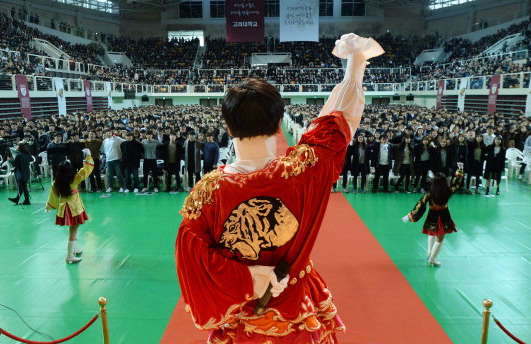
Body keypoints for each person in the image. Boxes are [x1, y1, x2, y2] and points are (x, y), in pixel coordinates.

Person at [176, 34, 384, 343]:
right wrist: (354, 65)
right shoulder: (306, 169)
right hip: (298, 312)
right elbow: (337, 122)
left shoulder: (207, 192)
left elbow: (192, 257)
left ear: (229, 127)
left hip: (242, 320)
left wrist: (248, 278)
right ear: (278, 125)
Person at [402, 163, 465, 267]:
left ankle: (430, 252)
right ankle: (432, 259)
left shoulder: (429, 194)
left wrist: (409, 216)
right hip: (443, 216)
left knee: (431, 232)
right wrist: (460, 170)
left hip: (432, 215)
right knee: (440, 239)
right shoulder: (448, 191)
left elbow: (420, 204)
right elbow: (457, 184)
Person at [45, 148, 94, 264]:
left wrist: (49, 207)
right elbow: (86, 170)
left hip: (64, 209)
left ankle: (75, 248)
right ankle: (69, 255)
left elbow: (53, 197)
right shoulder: (75, 179)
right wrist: (88, 156)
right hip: (74, 209)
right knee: (73, 231)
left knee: (73, 231)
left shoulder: (56, 183)